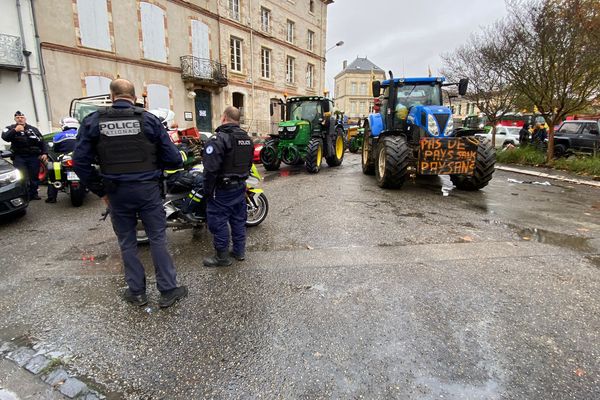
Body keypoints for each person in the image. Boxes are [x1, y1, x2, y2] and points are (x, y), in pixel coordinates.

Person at [73, 78, 188, 308]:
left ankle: (136, 292)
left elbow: (79, 162)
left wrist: (100, 190)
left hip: (116, 192)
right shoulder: (149, 120)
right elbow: (174, 158)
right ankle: (168, 290)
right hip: (148, 190)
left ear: (112, 97)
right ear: (134, 98)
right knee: (157, 239)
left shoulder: (94, 121)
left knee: (127, 242)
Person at [202, 106, 253, 267]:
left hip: (222, 189)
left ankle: (222, 257)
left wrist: (208, 191)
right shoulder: (247, 139)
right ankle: (239, 252)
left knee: (219, 222)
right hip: (240, 186)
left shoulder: (219, 139)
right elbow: (249, 164)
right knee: (238, 220)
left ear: (224, 118)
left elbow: (210, 169)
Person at [2, 111, 48, 200]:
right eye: (18, 117)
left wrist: (45, 153)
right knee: (22, 176)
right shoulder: (10, 128)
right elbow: (5, 137)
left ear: (25, 119)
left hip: (33, 157)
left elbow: (42, 141)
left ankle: (34, 194)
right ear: (15, 119)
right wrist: (15, 130)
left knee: (34, 176)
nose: (20, 119)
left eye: (22, 117)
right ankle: (24, 195)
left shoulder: (33, 129)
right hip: (19, 157)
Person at [46, 117, 79, 203]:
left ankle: (52, 197)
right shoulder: (82, 134)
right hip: (79, 157)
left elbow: (56, 149)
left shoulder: (59, 135)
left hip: (65, 157)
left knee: (52, 174)